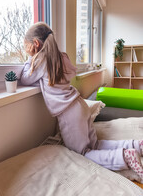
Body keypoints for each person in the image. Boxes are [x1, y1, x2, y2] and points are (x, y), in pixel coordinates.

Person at [21, 22, 143, 181]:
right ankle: (136, 145)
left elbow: (24, 78)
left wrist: (30, 59)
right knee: (96, 145)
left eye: (27, 47)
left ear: (36, 44)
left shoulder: (39, 61)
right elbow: (69, 73)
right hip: (81, 105)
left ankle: (125, 158)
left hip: (69, 115)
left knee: (83, 154)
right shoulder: (62, 57)